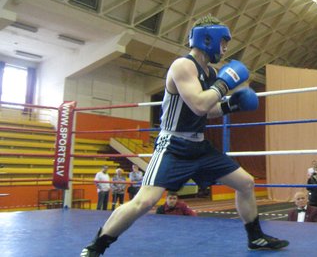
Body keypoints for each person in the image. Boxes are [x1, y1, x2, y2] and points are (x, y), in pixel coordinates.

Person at [81, 15, 289, 256]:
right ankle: (96, 247)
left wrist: (231, 105)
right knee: (144, 202)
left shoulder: (210, 73)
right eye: (223, 42)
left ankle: (256, 238)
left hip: (199, 146)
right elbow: (199, 104)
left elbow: (208, 110)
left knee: (246, 183)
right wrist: (224, 84)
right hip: (174, 145)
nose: (225, 48)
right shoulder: (183, 66)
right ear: (207, 38)